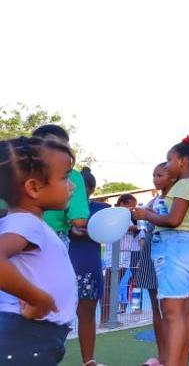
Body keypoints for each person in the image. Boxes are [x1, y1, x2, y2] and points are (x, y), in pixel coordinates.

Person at [0, 136, 79, 364]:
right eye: (65, 178)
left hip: (31, 335)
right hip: (25, 335)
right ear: (33, 187)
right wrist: (38, 299)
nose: (71, 185)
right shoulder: (25, 223)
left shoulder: (24, 222)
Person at [130, 135, 189, 366]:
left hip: (175, 249)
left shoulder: (184, 185)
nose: (167, 165)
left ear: (182, 161)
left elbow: (174, 220)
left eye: (169, 160)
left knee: (172, 314)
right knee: (184, 311)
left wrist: (146, 215)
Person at [69, 167, 107, 366]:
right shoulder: (57, 206)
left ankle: (88, 361)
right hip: (68, 264)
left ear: (91, 189)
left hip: (87, 266)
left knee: (86, 314)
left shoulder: (101, 209)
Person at [137, 162, 175, 366]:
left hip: (168, 258)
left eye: (160, 175)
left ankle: (171, 356)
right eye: (154, 175)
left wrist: (147, 215)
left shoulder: (176, 201)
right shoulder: (153, 201)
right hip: (150, 254)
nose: (155, 179)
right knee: (156, 308)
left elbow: (171, 222)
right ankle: (162, 356)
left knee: (169, 309)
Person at [31, 125, 89, 248]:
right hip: (54, 240)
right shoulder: (73, 175)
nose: (71, 186)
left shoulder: (17, 172)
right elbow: (79, 220)